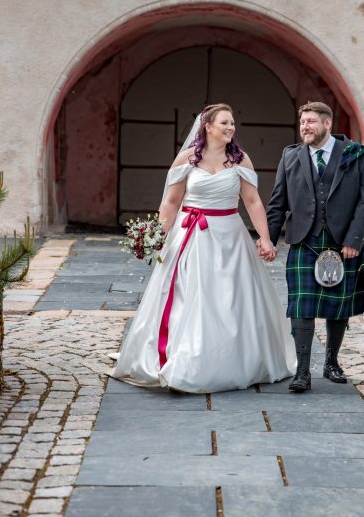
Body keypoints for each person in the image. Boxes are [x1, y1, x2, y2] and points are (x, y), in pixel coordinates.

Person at [110, 103, 296, 393]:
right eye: (224, 123)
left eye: (232, 123)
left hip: (229, 237)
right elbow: (171, 202)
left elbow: (253, 201)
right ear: (207, 127)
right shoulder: (186, 159)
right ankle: (184, 360)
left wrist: (266, 238)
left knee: (230, 299)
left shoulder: (240, 160)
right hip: (191, 236)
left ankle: (230, 362)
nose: (230, 127)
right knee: (189, 297)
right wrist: (158, 236)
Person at [264, 101, 364, 393]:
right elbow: (278, 202)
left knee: (338, 306)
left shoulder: (356, 156)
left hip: (342, 242)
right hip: (304, 241)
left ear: (327, 124)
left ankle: (332, 362)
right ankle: (303, 371)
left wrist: (354, 240)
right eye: (302, 122)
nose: (305, 127)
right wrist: (268, 238)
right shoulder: (291, 156)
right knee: (301, 306)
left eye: (311, 122)